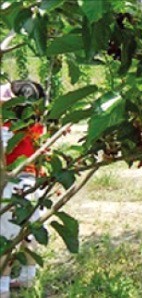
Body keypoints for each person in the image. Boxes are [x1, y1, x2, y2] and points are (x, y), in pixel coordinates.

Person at [0, 80, 47, 298]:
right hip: (33, 184)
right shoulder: (36, 127)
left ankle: (2, 286)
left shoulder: (6, 127)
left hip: (14, 185)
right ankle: (28, 277)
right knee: (28, 232)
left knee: (5, 238)